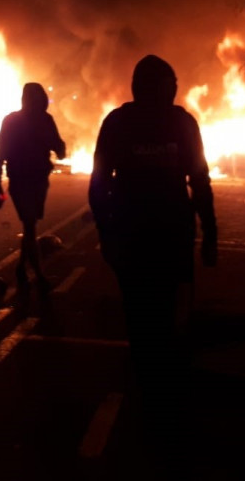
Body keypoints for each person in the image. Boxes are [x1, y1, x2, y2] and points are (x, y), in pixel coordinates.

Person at [88, 55, 217, 424]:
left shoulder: (170, 123)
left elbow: (199, 180)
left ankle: (160, 389)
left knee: (159, 316)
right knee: (150, 317)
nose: (175, 89)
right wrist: (106, 233)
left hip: (159, 236)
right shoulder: (139, 123)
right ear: (149, 87)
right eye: (169, 83)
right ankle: (159, 397)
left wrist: (210, 231)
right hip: (146, 236)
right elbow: (99, 184)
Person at [0, 82, 67, 291]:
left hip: (38, 180)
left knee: (30, 225)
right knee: (30, 224)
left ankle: (20, 267)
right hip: (21, 180)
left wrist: (60, 149)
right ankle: (39, 275)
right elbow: (0, 153)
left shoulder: (44, 120)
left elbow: (58, 146)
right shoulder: (14, 121)